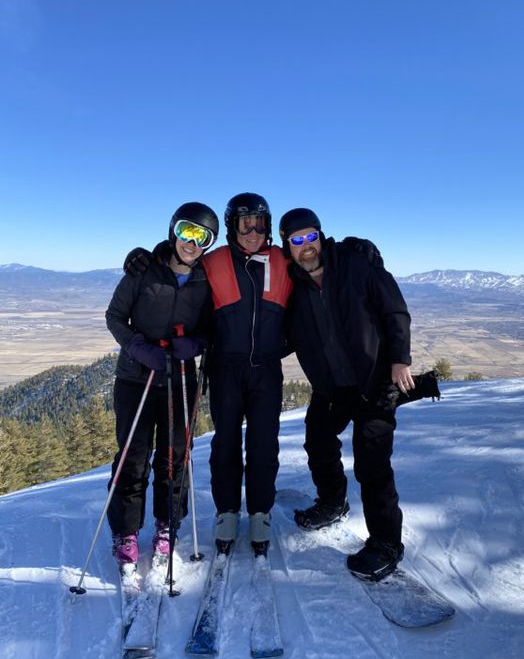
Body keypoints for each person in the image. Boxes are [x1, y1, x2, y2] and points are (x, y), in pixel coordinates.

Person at [123, 193, 292, 557]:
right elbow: (174, 263)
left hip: (266, 369)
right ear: (232, 226)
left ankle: (260, 511)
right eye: (245, 224)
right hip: (225, 367)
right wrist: (144, 254)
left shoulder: (283, 259)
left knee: (264, 444)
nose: (253, 232)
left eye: (260, 224)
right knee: (225, 443)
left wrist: (356, 248)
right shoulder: (212, 261)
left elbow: (317, 258)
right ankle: (227, 510)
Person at [279, 207, 423, 581]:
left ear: (321, 237)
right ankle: (332, 501)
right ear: (287, 246)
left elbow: (395, 310)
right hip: (332, 387)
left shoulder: (355, 265)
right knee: (318, 441)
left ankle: (386, 544)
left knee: (372, 465)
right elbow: (284, 336)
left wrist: (400, 360)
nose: (306, 246)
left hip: (375, 383)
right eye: (297, 240)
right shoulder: (292, 286)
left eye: (311, 236)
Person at [105, 202, 218, 570]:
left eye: (202, 237)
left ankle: (167, 524)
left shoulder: (206, 281)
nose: (192, 242)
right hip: (136, 378)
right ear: (174, 231)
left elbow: (213, 329)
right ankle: (126, 531)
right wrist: (139, 348)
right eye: (187, 231)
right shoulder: (143, 270)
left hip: (179, 378)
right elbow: (115, 316)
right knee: (133, 457)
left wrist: (196, 345)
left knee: (174, 457)